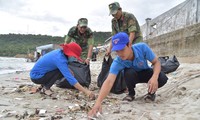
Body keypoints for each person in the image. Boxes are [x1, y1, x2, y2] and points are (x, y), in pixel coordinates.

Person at [88, 32, 168, 117]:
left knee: (161, 77)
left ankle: (151, 93)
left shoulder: (142, 48)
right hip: (132, 75)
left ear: (129, 44)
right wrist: (98, 102)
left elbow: (156, 62)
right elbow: (109, 81)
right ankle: (131, 93)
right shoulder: (118, 61)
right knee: (128, 72)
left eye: (122, 49)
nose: (120, 54)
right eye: (117, 51)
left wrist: (154, 77)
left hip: (145, 72)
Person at [30, 42, 95, 100]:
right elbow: (71, 80)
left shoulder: (59, 53)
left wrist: (68, 70)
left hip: (38, 74)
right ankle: (46, 88)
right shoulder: (60, 59)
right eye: (74, 56)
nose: (74, 58)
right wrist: (87, 92)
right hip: (37, 77)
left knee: (63, 71)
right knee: (60, 71)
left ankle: (43, 86)